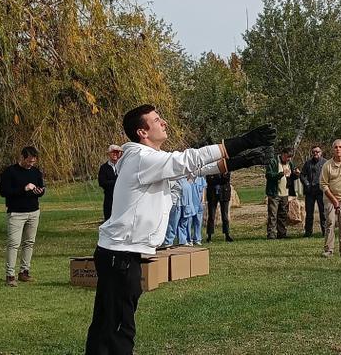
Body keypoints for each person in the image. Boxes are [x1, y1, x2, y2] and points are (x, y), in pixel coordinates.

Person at [85, 104, 275, 354]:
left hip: (118, 255)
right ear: (142, 132)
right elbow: (188, 160)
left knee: (108, 325)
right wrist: (242, 141)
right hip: (120, 257)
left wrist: (236, 162)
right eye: (156, 120)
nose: (164, 123)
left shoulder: (148, 160)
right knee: (119, 329)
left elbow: (192, 170)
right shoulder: (143, 158)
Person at [0, 146, 46, 287]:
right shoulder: (10, 172)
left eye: (33, 161)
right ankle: (10, 275)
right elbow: (4, 192)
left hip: (33, 211)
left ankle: (24, 272)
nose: (31, 164)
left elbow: (41, 188)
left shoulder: (36, 172)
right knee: (14, 244)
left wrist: (40, 191)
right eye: (29, 161)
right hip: (16, 213)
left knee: (29, 243)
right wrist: (24, 189)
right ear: (22, 157)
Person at [265, 148, 297, 239]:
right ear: (282, 154)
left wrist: (296, 174)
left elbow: (292, 176)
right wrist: (280, 174)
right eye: (287, 157)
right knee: (273, 215)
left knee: (283, 214)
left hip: (285, 193)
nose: (289, 159)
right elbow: (268, 175)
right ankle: (271, 234)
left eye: (290, 157)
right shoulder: (273, 162)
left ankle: (282, 234)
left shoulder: (290, 164)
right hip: (274, 193)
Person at [300, 145, 327, 237]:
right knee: (309, 213)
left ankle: (325, 231)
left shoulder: (325, 163)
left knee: (323, 212)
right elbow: (302, 175)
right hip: (310, 191)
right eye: (314, 152)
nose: (316, 153)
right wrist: (306, 183)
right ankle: (308, 232)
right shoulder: (308, 163)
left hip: (321, 191)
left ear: (321, 152)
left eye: (317, 152)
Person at [205, 171, 234, 243]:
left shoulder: (225, 167)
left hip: (224, 193)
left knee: (225, 216)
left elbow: (226, 179)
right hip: (212, 194)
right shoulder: (211, 168)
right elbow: (209, 180)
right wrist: (219, 178)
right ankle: (209, 236)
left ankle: (227, 234)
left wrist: (216, 178)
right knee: (211, 216)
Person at [98, 145, 123, 221]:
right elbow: (102, 182)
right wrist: (117, 182)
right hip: (109, 198)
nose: (115, 154)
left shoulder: (124, 166)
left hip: (123, 198)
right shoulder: (104, 168)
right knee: (109, 221)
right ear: (109, 153)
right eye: (113, 152)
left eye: (117, 152)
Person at [181, 175, 206, 246]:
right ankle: (188, 239)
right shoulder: (187, 179)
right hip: (190, 204)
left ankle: (197, 239)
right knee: (189, 222)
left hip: (199, 203)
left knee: (198, 222)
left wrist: (203, 200)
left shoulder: (201, 178)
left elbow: (204, 188)